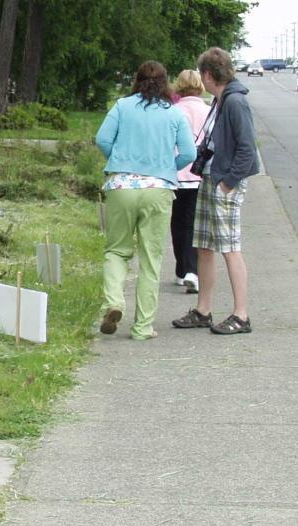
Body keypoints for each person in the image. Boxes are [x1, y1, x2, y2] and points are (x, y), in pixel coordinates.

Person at [95, 60, 196, 340]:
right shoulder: (174, 114)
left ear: (136, 81)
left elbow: (102, 139)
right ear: (166, 83)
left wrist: (118, 159)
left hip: (122, 186)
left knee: (116, 250)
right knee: (151, 259)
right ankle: (142, 327)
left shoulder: (122, 106)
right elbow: (189, 153)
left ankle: (114, 301)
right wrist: (165, 167)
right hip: (158, 188)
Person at [172, 47, 259, 335]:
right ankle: (203, 309)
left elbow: (247, 149)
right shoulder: (220, 101)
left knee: (230, 248)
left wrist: (228, 182)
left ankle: (241, 314)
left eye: (202, 74)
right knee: (204, 245)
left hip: (224, 183)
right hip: (210, 179)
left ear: (208, 75)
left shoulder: (235, 102)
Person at [170, 69, 211, 293]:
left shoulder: (173, 111)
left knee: (177, 223)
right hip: (199, 175)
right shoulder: (208, 111)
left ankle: (181, 269)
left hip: (176, 174)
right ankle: (193, 270)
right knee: (195, 223)